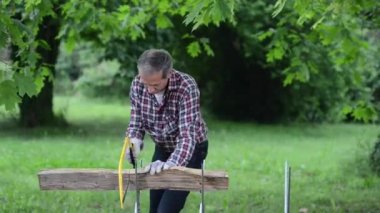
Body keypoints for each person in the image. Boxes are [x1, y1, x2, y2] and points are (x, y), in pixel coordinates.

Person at [125, 48, 208, 213]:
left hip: (192, 149)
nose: (149, 90)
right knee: (154, 209)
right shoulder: (137, 84)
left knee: (166, 210)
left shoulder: (186, 86)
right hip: (163, 147)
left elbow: (187, 137)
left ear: (169, 74)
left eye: (155, 85)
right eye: (145, 83)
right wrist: (133, 142)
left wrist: (170, 165)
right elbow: (136, 123)